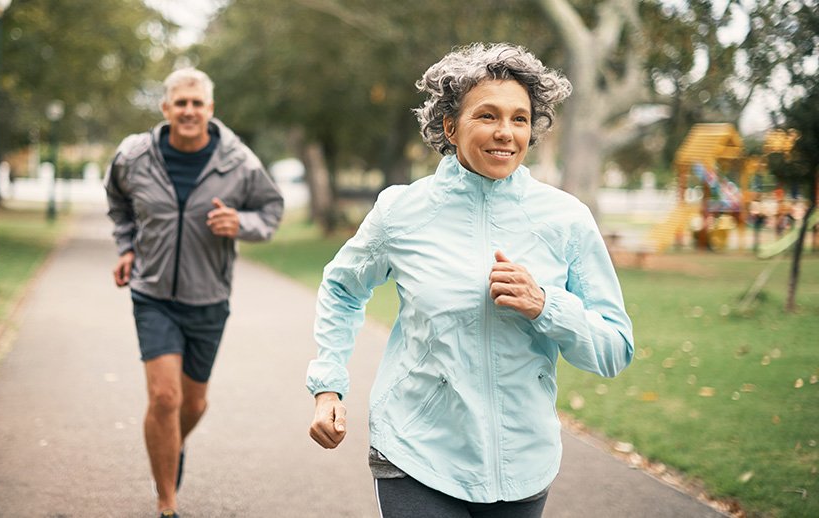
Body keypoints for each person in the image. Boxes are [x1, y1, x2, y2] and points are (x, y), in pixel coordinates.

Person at [307, 42, 634, 518]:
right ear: (449, 125)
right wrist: (328, 387)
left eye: (519, 119)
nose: (505, 133)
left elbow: (615, 348)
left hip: (523, 461)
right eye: (487, 115)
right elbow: (342, 288)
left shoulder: (566, 219)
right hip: (416, 451)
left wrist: (546, 306)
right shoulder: (402, 212)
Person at [105, 67, 283, 518]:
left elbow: (271, 209)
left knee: (194, 402)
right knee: (165, 398)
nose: (188, 111)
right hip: (153, 293)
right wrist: (127, 247)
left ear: (210, 109)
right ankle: (167, 503)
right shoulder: (134, 155)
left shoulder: (239, 162)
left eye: (196, 103)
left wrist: (240, 224)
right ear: (165, 108)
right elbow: (118, 201)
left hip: (208, 298)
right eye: (180, 103)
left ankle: (169, 444)